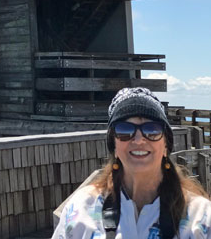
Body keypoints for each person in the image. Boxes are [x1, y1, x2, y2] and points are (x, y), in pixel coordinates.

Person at [51, 87, 211, 238]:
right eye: (125, 130)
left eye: (152, 130)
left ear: (165, 146)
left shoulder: (202, 217)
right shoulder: (81, 209)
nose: (139, 139)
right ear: (114, 145)